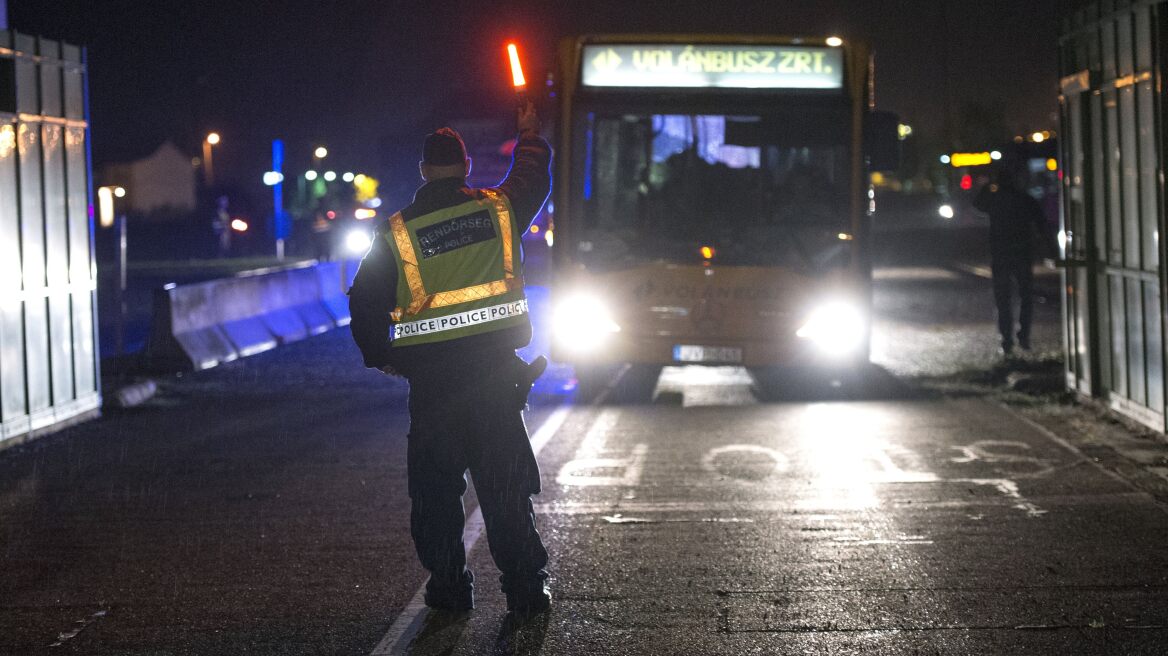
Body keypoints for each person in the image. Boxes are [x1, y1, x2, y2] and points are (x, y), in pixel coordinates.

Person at [347, 102, 552, 616]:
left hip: (433, 390)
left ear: (422, 171)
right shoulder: (497, 209)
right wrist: (528, 134)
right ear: (464, 167)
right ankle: (525, 590)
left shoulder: (397, 232)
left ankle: (449, 589)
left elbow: (364, 301)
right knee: (505, 490)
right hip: (494, 382)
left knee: (436, 497)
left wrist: (383, 357)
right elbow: (532, 178)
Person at [973, 164, 1047, 355]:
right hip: (1022, 252)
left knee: (1003, 299)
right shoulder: (1024, 199)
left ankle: (1007, 340)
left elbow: (977, 204)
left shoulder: (995, 199)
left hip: (1001, 253)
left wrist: (988, 186)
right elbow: (1041, 222)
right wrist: (1046, 247)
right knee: (1025, 297)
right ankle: (1023, 337)